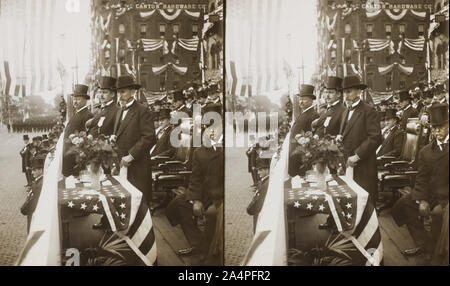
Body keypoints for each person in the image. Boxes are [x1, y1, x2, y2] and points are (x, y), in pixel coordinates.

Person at [166, 104, 223, 265]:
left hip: (221, 196)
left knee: (212, 214)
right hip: (205, 193)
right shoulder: (201, 150)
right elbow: (196, 177)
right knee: (179, 203)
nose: (211, 130)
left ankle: (210, 253)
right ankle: (198, 243)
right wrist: (195, 199)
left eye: (215, 125)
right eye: (207, 126)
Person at [391, 104, 449, 261]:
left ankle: (436, 252)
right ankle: (424, 243)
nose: (437, 131)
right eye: (434, 127)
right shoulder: (426, 151)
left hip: (446, 197)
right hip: (430, 194)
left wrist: (442, 203)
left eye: (441, 127)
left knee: (438, 214)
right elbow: (421, 177)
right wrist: (421, 199)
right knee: (402, 205)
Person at [113, 75, 156, 205]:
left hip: (138, 167)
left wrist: (131, 156)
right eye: (118, 92)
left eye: (123, 91)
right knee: (125, 204)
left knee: (139, 204)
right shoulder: (120, 110)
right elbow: (121, 133)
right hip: (122, 165)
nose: (120, 95)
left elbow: (149, 137)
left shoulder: (142, 110)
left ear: (132, 91)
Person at [339, 75, 381, 205]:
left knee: (364, 202)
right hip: (348, 164)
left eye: (349, 91)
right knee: (351, 201)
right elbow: (347, 132)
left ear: (359, 91)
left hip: (363, 166)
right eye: (345, 92)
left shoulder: (368, 110)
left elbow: (375, 137)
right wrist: (340, 137)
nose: (346, 95)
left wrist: (357, 156)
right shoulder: (346, 111)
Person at [62, 84, 93, 177]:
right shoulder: (77, 113)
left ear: (85, 100)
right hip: (69, 157)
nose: (75, 101)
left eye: (78, 99)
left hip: (77, 160)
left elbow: (87, 140)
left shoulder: (88, 115)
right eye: (74, 99)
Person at [288, 84, 319, 177]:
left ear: (311, 100)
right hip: (295, 155)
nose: (301, 102)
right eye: (300, 99)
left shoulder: (313, 115)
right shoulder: (304, 113)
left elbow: (312, 139)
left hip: (302, 158)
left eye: (304, 99)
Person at [246, 150, 273, 232]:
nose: (258, 172)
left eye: (260, 170)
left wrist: (249, 209)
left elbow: (258, 201)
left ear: (267, 170)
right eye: (258, 170)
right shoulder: (265, 181)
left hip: (260, 215)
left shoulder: (265, 184)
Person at [20, 152, 46, 233]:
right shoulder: (39, 181)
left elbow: (33, 203)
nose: (32, 173)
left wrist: (23, 209)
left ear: (41, 170)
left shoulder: (40, 184)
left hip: (34, 215)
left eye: (34, 170)